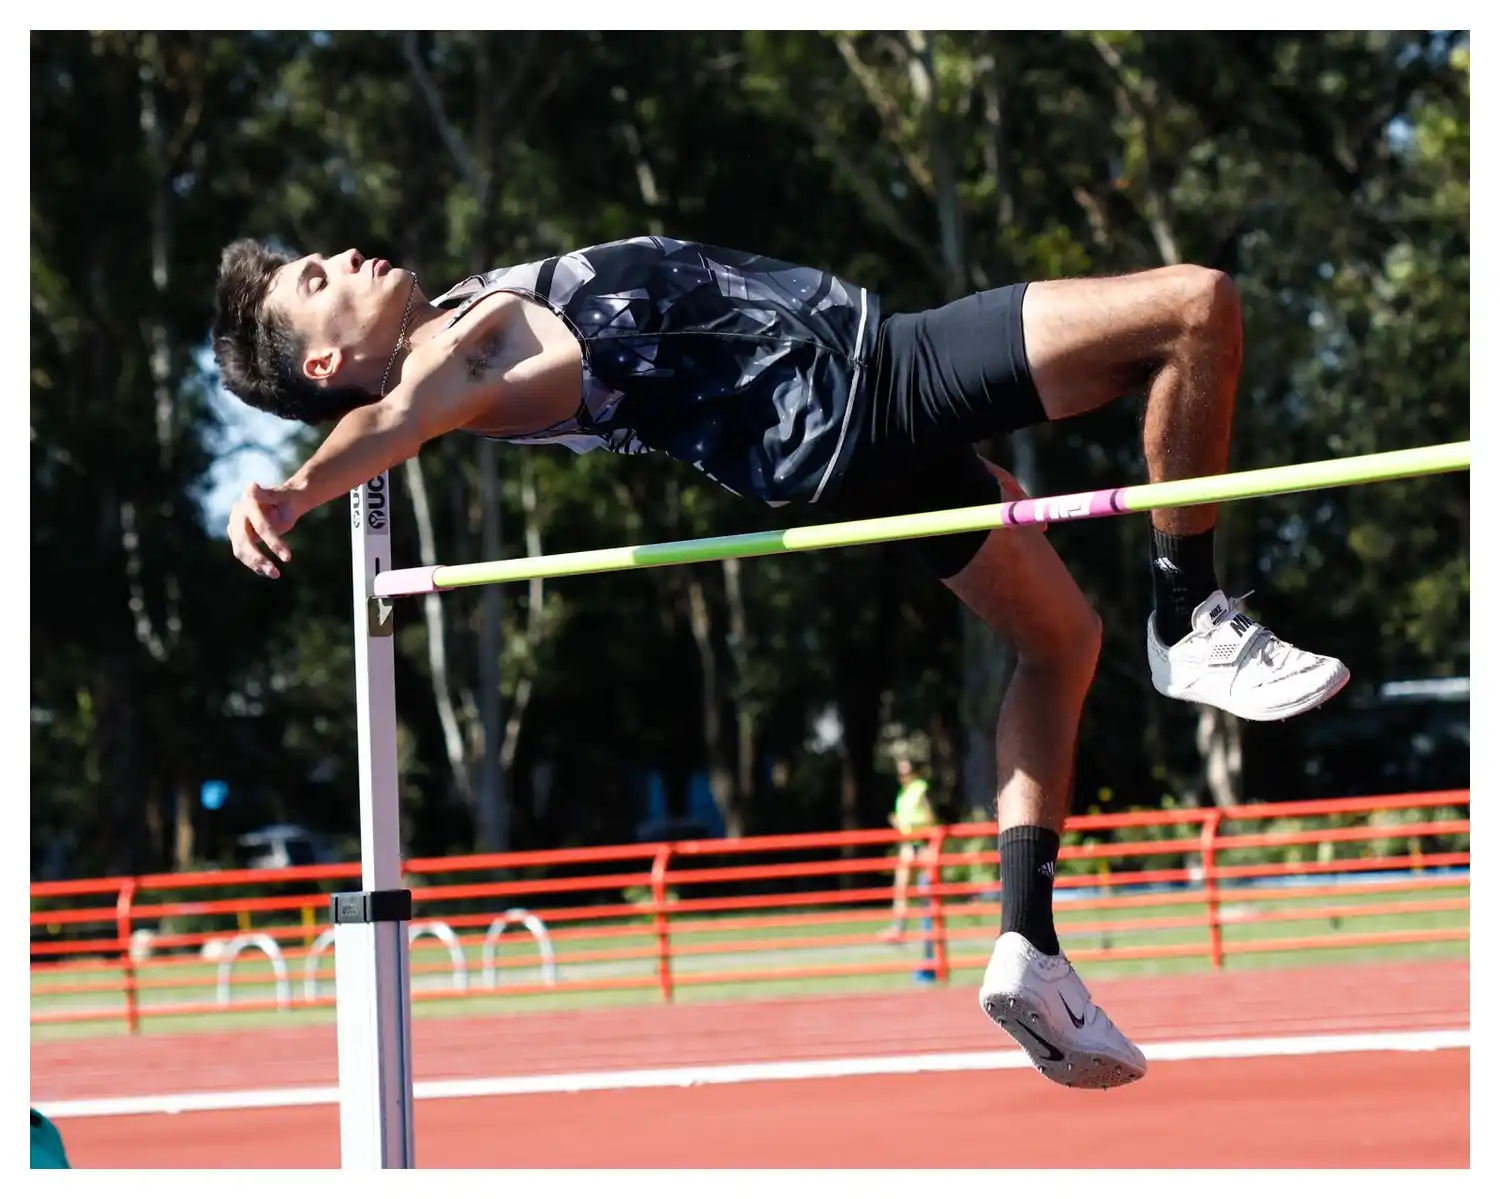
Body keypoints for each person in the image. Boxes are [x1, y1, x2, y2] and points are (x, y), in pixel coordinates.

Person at [213, 234, 1349, 1090]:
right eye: (316, 283)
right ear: (325, 362)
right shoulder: (455, 357)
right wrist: (299, 487)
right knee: (1195, 308)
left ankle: (1029, 944)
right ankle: (1191, 611)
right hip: (867, 383)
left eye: (319, 256)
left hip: (833, 431)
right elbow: (394, 421)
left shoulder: (468, 324)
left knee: (1060, 641)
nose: (340, 257)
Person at [878, 757, 938, 943]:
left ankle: (931, 931)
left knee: (927, 889)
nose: (902, 776)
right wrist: (898, 822)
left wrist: (915, 826)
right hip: (908, 843)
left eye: (905, 772)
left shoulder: (921, 788)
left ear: (913, 772)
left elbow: (930, 816)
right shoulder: (902, 793)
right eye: (900, 773)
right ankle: (898, 928)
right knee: (901, 887)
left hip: (923, 842)